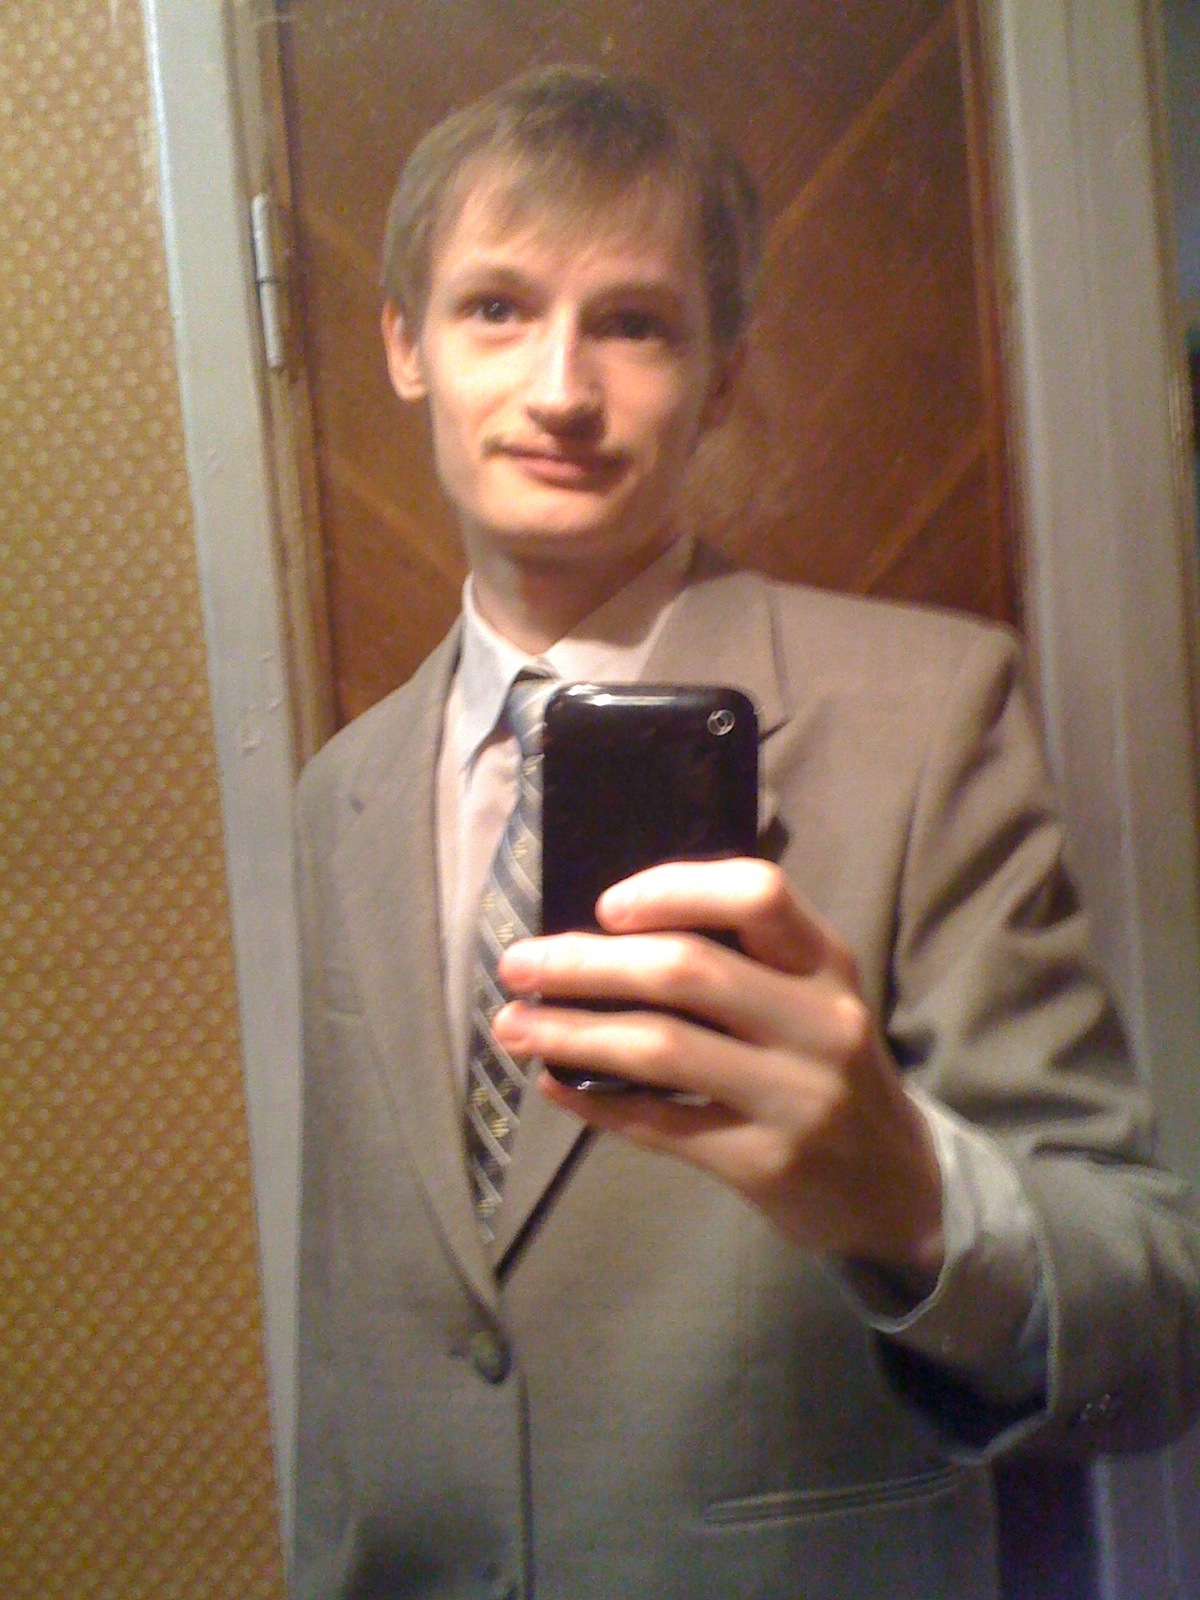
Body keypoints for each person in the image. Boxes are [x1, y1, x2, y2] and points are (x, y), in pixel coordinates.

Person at [292, 64, 1200, 1600]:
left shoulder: (932, 716)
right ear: (404, 345)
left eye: (635, 324)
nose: (561, 389)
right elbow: (349, 1310)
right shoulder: (342, 793)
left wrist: (910, 1194)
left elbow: (1154, 1325)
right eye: (496, 308)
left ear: (720, 375)